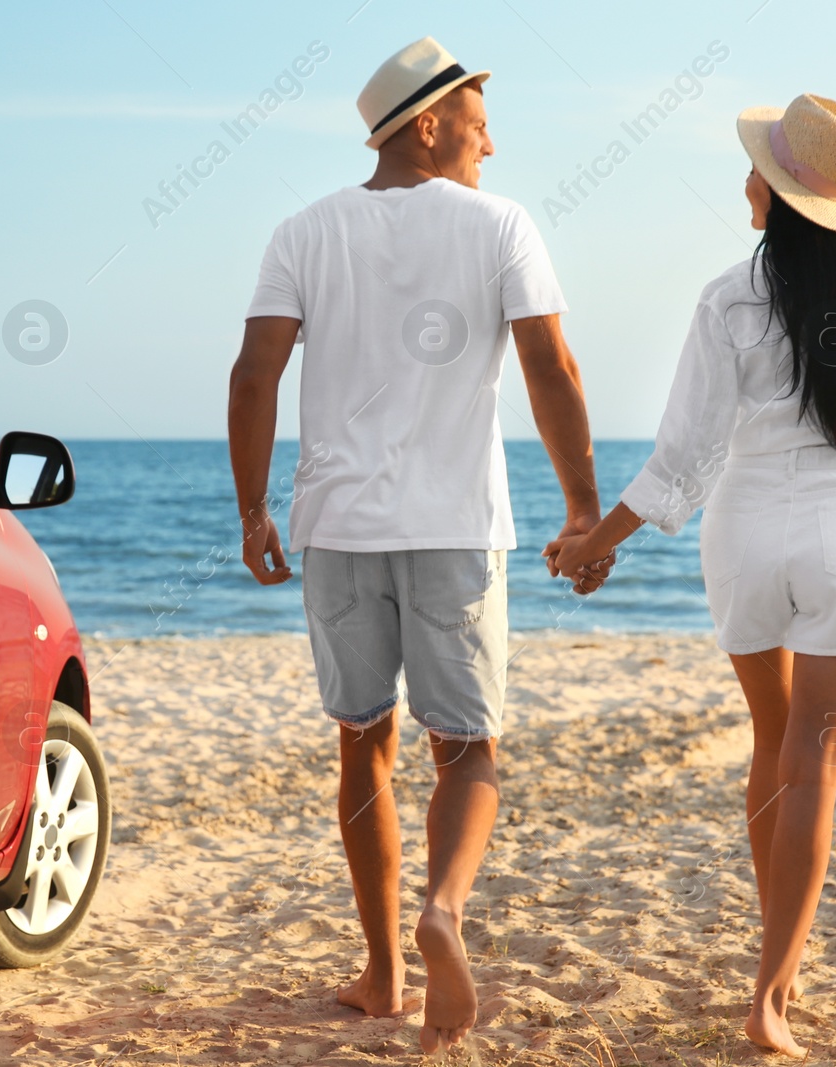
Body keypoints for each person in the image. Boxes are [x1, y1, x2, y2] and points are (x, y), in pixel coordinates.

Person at [546, 93, 836, 1056]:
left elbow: (683, 457)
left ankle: (777, 964)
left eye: (761, 167)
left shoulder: (728, 295)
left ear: (782, 196)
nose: (746, 178)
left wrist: (599, 542)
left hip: (748, 534)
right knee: (819, 756)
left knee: (774, 738)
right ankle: (774, 987)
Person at [227, 37, 609, 1054]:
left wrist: (252, 510)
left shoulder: (303, 230)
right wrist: (581, 507)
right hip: (454, 527)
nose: (492, 147)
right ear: (427, 123)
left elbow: (254, 373)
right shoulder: (500, 226)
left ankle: (384, 969)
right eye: (479, 128)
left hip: (338, 529)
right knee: (469, 747)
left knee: (363, 741)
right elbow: (551, 365)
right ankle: (442, 906)